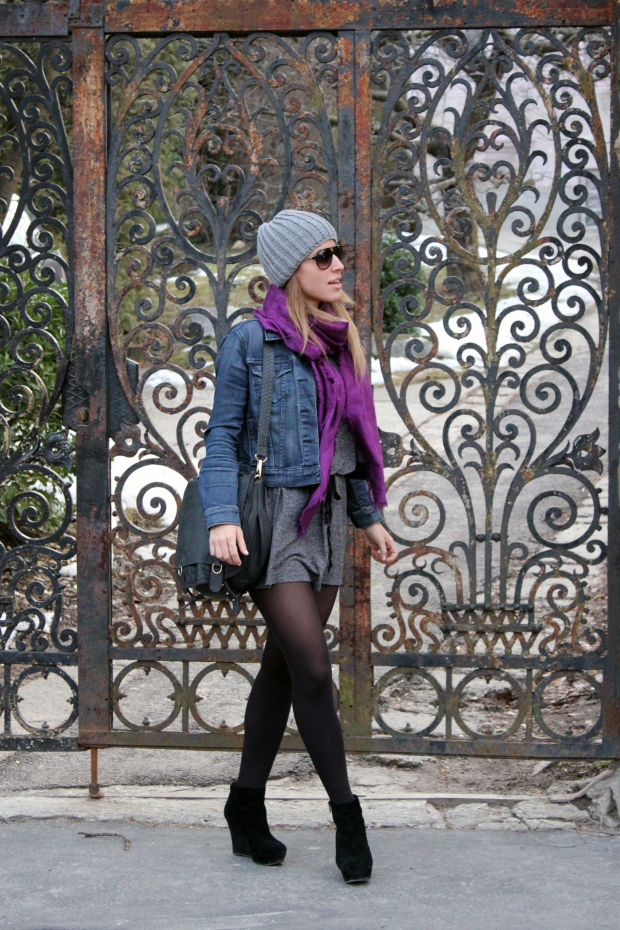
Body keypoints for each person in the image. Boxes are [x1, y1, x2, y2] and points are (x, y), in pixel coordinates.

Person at [199, 209, 397, 883]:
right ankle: (348, 818)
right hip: (274, 520)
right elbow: (221, 436)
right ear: (291, 269)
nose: (339, 266)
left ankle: (244, 805)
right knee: (312, 669)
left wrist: (369, 517)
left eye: (338, 253)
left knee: (282, 669)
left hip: (329, 519)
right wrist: (221, 515)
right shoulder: (250, 341)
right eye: (323, 256)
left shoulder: (343, 340)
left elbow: (350, 446)